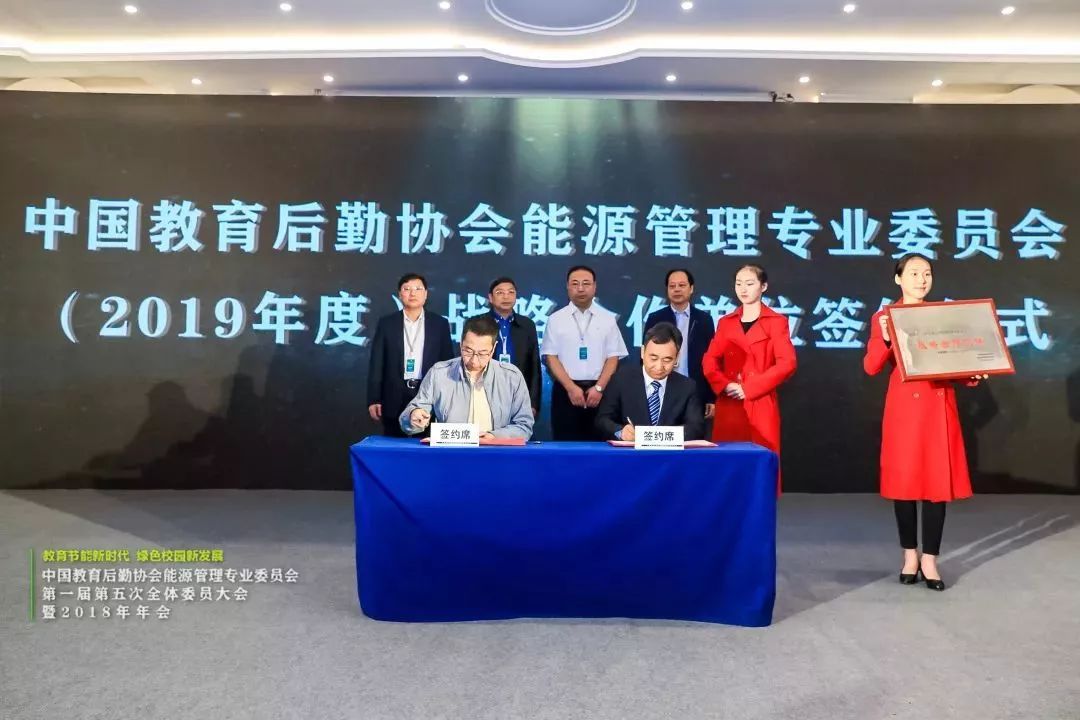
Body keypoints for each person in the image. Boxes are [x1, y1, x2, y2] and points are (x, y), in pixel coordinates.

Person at [864, 253, 981, 592]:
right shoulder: (884, 317)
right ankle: (909, 556)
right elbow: (871, 366)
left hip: (937, 407)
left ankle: (930, 559)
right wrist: (887, 339)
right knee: (904, 483)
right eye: (914, 273)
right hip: (904, 409)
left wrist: (972, 372)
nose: (921, 279)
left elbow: (954, 360)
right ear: (898, 279)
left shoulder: (940, 315)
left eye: (926, 273)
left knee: (935, 485)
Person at [701, 264, 797, 491]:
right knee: (727, 464)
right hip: (729, 402)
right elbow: (709, 360)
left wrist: (750, 388)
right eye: (739, 284)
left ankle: (760, 508)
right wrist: (724, 385)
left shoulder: (776, 322)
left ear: (763, 286)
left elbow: (787, 362)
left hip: (760, 401)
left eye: (750, 283)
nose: (743, 289)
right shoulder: (726, 322)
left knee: (762, 464)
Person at [400, 315, 534, 439]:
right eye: (468, 351)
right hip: (452, 452)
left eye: (482, 353)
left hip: (496, 452)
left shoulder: (511, 377)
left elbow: (524, 426)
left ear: (493, 349)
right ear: (461, 344)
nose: (474, 360)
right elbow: (411, 415)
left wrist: (493, 436)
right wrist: (413, 415)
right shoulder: (439, 373)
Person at [541, 266, 629, 440]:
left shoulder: (607, 319)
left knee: (601, 443)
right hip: (566, 391)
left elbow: (613, 357)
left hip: (600, 391)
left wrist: (599, 388)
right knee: (565, 445)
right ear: (567, 287)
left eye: (586, 283)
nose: (580, 288)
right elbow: (551, 357)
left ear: (594, 287)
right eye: (575, 284)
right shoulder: (555, 319)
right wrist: (570, 387)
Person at [366, 273, 455, 437]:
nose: (412, 293)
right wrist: (374, 398)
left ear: (426, 294)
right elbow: (377, 362)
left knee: (426, 443)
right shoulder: (387, 323)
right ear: (400, 294)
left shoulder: (439, 324)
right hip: (394, 395)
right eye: (407, 289)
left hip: (428, 393)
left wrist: (447, 397)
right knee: (394, 444)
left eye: (418, 289)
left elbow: (447, 362)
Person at [595, 322, 705, 441]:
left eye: (667, 360)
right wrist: (620, 432)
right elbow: (602, 420)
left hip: (670, 452)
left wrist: (662, 436)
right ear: (643, 352)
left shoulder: (688, 387)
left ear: (677, 358)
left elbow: (696, 428)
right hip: (631, 451)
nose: (659, 366)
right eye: (653, 358)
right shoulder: (621, 380)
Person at [644, 268, 716, 420]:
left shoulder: (704, 320)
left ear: (691, 288)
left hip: (695, 390)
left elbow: (712, 360)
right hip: (663, 389)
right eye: (672, 286)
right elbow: (646, 356)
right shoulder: (655, 318)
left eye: (681, 285)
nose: (676, 289)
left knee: (693, 432)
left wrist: (711, 397)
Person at [487, 277, 542, 417]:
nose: (506, 296)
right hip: (486, 392)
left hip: (518, 394)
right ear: (490, 298)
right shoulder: (477, 323)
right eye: (500, 292)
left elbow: (534, 367)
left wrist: (533, 403)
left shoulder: (527, 325)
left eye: (511, 292)